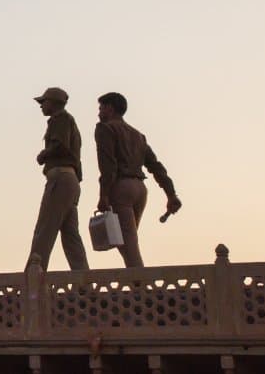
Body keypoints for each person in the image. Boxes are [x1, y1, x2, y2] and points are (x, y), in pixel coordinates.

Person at [95, 92, 182, 267]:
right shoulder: (138, 135)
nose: (99, 113)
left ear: (110, 108)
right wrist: (171, 194)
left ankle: (140, 282)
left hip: (121, 187)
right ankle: (137, 280)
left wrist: (104, 195)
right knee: (127, 241)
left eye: (101, 108)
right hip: (140, 189)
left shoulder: (105, 129)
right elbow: (156, 166)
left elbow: (108, 165)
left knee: (128, 245)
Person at [28, 88, 89, 271]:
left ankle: (33, 276)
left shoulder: (60, 119)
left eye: (44, 102)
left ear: (53, 103)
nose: (41, 106)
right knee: (71, 235)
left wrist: (44, 154)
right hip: (71, 181)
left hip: (60, 179)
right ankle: (83, 279)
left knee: (44, 230)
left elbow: (60, 145)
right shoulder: (68, 120)